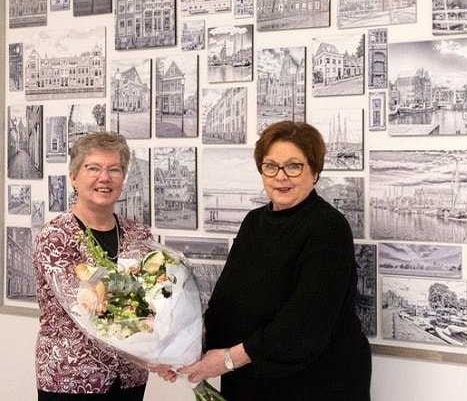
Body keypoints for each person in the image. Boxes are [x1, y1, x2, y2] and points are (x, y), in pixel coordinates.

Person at [177, 121, 372, 400]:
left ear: (315, 172)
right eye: (271, 166)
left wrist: (228, 359)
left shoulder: (328, 228)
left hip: (316, 384)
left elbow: (304, 326)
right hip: (253, 380)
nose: (281, 176)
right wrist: (183, 349)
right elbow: (226, 304)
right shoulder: (254, 222)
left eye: (294, 166)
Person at [33, 132, 153, 400]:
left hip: (129, 378)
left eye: (114, 169)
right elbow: (86, 305)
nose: (104, 177)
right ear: (74, 176)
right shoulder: (56, 237)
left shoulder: (139, 235)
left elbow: (154, 297)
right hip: (72, 379)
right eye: (93, 168)